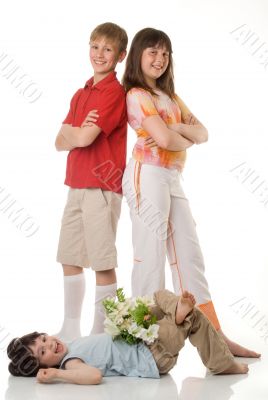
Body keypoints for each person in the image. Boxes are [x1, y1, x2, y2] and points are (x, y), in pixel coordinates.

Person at [121, 27, 260, 358]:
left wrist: (178, 128)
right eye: (153, 52)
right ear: (139, 55)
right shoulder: (137, 95)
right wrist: (181, 135)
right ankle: (141, 342)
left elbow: (204, 133)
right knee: (149, 256)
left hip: (171, 176)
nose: (160, 59)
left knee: (190, 257)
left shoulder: (170, 97)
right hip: (147, 174)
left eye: (165, 53)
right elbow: (167, 143)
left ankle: (215, 337)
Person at [54, 22, 128, 340]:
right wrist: (73, 133)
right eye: (95, 46)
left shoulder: (113, 93)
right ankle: (71, 327)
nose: (99, 54)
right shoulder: (80, 93)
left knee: (101, 260)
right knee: (69, 257)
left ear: (120, 55)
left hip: (102, 187)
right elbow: (59, 141)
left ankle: (101, 331)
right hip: (76, 184)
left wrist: (74, 133)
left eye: (107, 49)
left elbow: (82, 138)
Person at [7, 290, 249, 385]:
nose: (49, 344)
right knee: (192, 316)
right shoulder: (71, 362)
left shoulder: (72, 345)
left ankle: (176, 310)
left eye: (43, 339)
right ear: (45, 367)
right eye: (42, 353)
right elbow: (94, 376)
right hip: (153, 356)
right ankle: (181, 319)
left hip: (143, 338)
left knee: (158, 296)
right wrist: (57, 374)